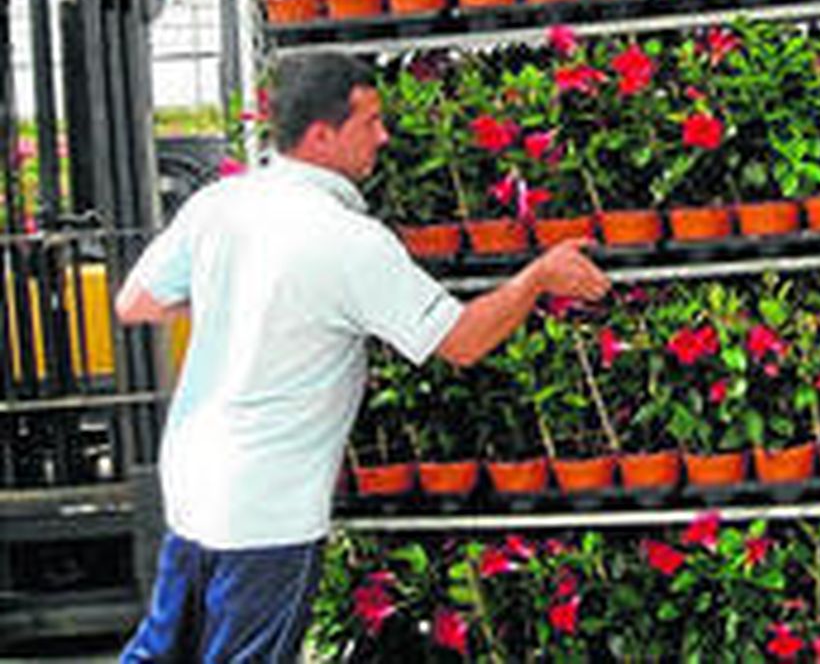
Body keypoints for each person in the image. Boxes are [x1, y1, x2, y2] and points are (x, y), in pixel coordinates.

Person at [115, 51, 608, 662]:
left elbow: (136, 301)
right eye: (369, 122)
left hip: (195, 483)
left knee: (160, 652)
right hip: (267, 510)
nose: (384, 136)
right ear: (322, 135)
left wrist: (243, 302)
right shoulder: (347, 241)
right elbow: (463, 342)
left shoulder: (220, 206)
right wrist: (537, 277)